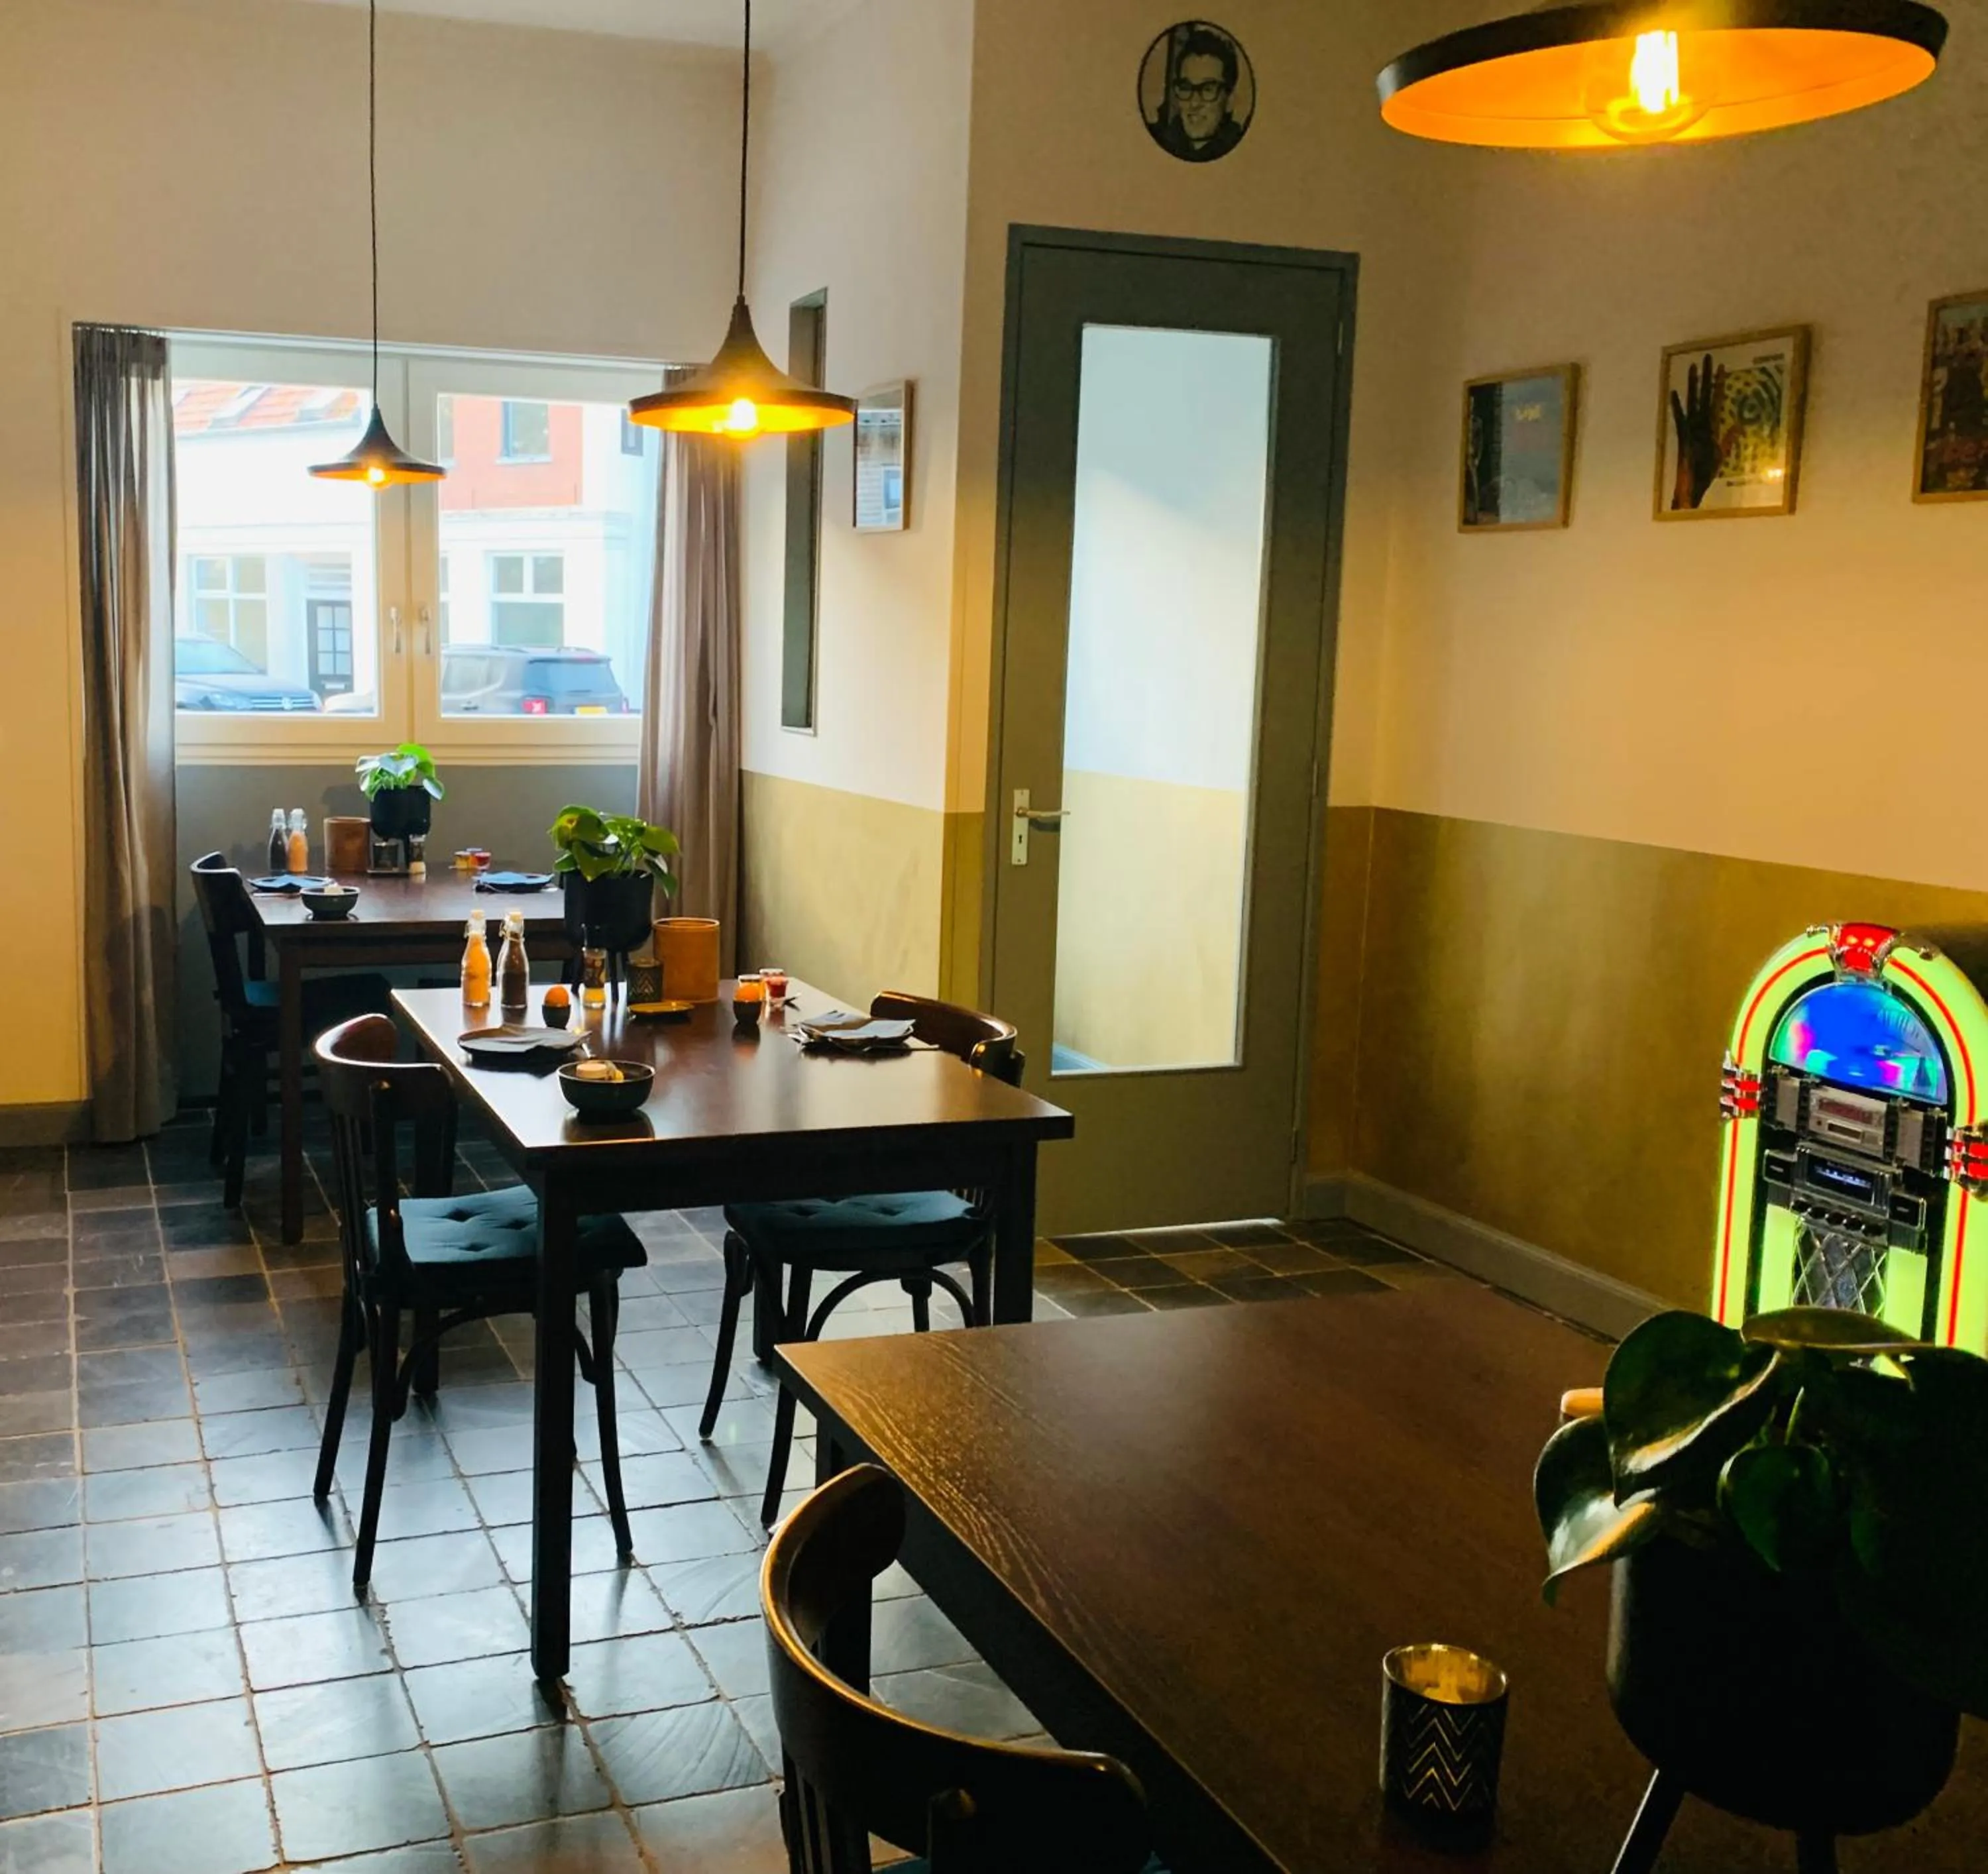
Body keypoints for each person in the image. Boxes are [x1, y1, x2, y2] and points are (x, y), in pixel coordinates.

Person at [1151, 27, 1248, 164]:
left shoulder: (1245, 155)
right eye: (1186, 88)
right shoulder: (1158, 143)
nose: (1195, 103)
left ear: (1230, 101)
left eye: (1208, 89)